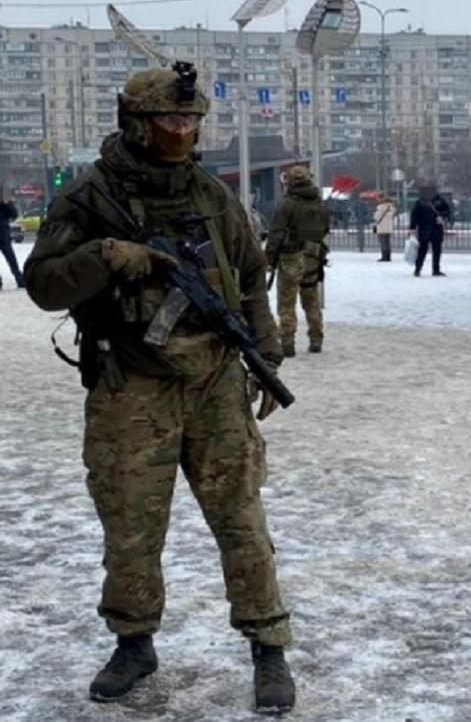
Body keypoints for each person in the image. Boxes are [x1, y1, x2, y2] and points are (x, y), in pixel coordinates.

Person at [21, 63, 294, 713]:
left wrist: (265, 349)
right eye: (170, 121)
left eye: (191, 121)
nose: (182, 131)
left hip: (215, 380)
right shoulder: (89, 198)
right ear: (137, 124)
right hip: (130, 384)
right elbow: (43, 284)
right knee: (131, 525)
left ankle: (269, 646)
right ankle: (133, 641)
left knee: (242, 518)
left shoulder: (210, 193)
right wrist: (105, 258)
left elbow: (252, 275)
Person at [266, 165, 330, 357]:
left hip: (290, 257)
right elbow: (325, 229)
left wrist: (269, 257)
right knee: (311, 299)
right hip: (314, 255)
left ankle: (287, 343)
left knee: (286, 301)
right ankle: (316, 338)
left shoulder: (287, 204)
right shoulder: (319, 204)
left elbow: (276, 233)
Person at [409, 185, 452, 277]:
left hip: (426, 229)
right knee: (434, 250)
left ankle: (418, 269)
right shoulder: (438, 201)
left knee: (424, 250)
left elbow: (414, 215)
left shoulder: (420, 202)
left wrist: (412, 227)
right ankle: (434, 269)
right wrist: (443, 216)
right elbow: (447, 210)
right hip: (434, 228)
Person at [0, 189, 24, 289]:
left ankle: (20, 280)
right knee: (11, 259)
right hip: (4, 235)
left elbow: (14, 214)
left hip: (3, 236)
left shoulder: (3, 205)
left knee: (12, 260)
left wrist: (7, 203)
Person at [372, 193, 396, 262]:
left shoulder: (381, 207)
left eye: (378, 198)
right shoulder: (391, 206)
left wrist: (374, 214)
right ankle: (388, 256)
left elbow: (377, 217)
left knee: (383, 242)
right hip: (388, 226)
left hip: (382, 226)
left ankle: (384, 256)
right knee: (387, 242)